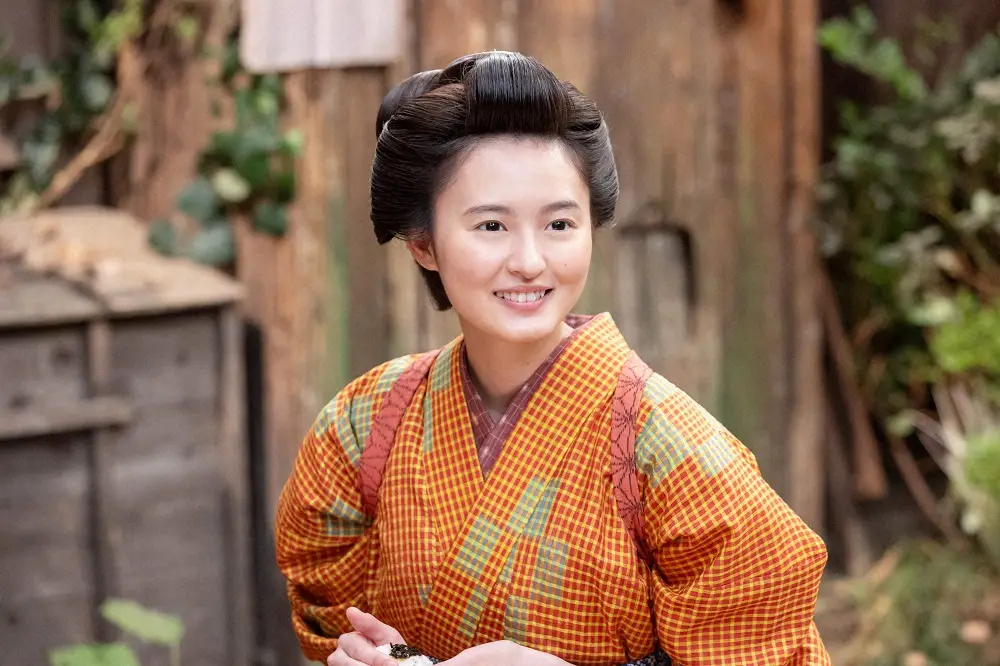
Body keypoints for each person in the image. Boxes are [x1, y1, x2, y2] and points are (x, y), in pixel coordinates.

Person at [275, 51, 831, 666]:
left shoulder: (670, 447)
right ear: (423, 243)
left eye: (560, 225)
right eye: (491, 226)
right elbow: (332, 616)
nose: (530, 261)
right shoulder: (364, 424)